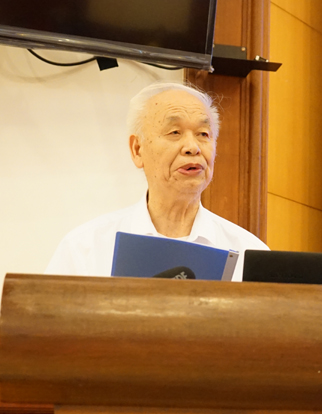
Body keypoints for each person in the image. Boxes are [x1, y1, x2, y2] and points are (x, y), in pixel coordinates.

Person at [46, 82, 268, 281]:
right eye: (175, 132)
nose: (193, 147)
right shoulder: (86, 248)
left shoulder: (249, 254)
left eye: (203, 134)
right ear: (137, 150)